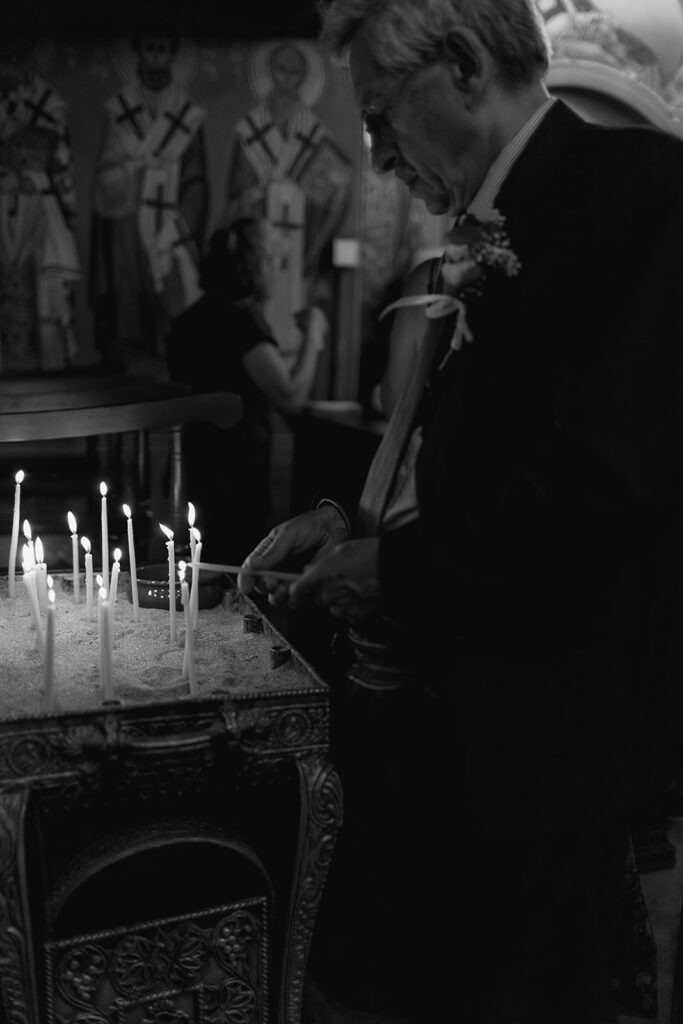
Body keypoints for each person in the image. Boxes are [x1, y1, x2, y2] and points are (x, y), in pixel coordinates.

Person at [237, 0, 683, 1021]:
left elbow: (606, 481)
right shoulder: (484, 223)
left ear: (464, 66)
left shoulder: (645, 198)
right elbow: (463, 457)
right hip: (437, 748)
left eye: (381, 115)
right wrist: (353, 525)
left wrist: (406, 571)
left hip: (540, 752)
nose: (377, 155)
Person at [166, 217, 328, 565]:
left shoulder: (192, 319)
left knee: (199, 571)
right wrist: (312, 338)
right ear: (255, 264)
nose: (277, 269)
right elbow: (290, 397)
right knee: (236, 570)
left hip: (194, 466)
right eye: (273, 260)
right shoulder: (241, 320)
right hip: (233, 476)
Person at [90, 16, 209, 378]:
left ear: (172, 55)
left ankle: (168, 370)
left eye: (162, 49)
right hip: (127, 225)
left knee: (171, 303)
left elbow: (197, 178)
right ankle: (131, 370)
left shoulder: (187, 113)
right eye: (149, 48)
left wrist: (182, 222)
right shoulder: (120, 109)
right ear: (138, 52)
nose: (155, 57)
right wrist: (131, 172)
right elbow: (105, 174)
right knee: (128, 308)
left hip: (170, 226)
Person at [0, 32, 80, 373]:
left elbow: (58, 156)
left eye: (17, 56)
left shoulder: (49, 103)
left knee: (46, 299)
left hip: (38, 210)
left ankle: (47, 374)